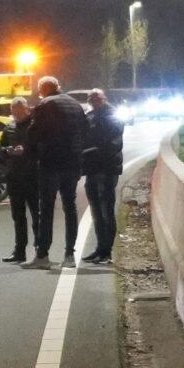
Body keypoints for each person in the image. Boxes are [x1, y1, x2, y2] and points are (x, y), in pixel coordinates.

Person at [24, 76, 86, 267]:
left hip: (50, 163)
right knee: (70, 207)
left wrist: (32, 156)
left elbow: (33, 134)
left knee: (47, 208)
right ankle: (69, 255)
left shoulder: (45, 105)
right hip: (73, 163)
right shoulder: (75, 105)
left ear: (43, 89)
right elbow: (85, 132)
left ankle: (42, 255)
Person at [81, 88, 125, 264]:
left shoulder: (113, 115)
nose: (94, 101)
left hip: (107, 169)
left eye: (97, 98)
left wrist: (90, 152)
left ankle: (107, 251)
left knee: (106, 210)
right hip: (91, 169)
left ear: (104, 98)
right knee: (96, 211)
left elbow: (113, 143)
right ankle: (100, 248)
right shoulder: (89, 116)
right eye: (90, 98)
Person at [0, 99, 37, 264]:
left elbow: (42, 147)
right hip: (14, 176)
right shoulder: (9, 127)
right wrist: (8, 151)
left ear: (27, 109)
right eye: (14, 111)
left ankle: (39, 250)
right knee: (18, 216)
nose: (16, 114)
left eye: (19, 111)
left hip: (33, 176)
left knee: (36, 215)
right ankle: (19, 250)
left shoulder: (35, 126)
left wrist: (25, 151)